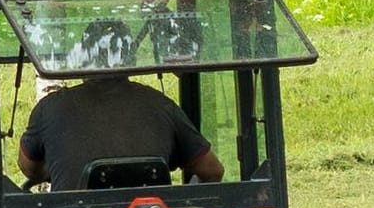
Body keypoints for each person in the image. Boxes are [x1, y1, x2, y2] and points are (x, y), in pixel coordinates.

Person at [18, 75, 226, 191]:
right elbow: (212, 171)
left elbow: (28, 167)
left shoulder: (51, 108)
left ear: (81, 60)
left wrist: (57, 168)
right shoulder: (160, 104)